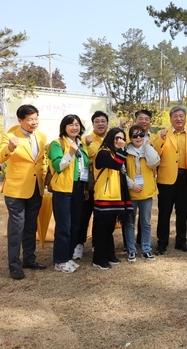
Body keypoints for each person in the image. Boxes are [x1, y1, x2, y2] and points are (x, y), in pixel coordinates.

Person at [0, 104, 47, 280]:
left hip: (36, 188)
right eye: (30, 119)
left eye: (36, 118)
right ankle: (14, 265)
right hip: (16, 190)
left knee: (30, 226)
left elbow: (40, 161)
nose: (34, 122)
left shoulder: (41, 137)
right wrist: (9, 148)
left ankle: (29, 259)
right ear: (20, 120)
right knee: (16, 228)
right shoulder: (10, 136)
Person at [47, 114, 90, 273]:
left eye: (77, 124)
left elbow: (84, 168)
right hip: (63, 190)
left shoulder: (82, 144)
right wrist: (70, 152)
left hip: (78, 188)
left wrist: (85, 189)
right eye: (70, 124)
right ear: (64, 127)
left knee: (75, 224)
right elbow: (58, 165)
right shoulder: (57, 144)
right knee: (64, 226)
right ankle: (60, 260)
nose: (74, 127)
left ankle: (68, 256)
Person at [154, 106, 187, 255]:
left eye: (181, 116)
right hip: (166, 179)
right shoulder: (162, 133)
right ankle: (162, 243)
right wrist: (161, 139)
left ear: (185, 118)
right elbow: (155, 153)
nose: (179, 119)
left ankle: (181, 241)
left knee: (182, 212)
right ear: (170, 119)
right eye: (176, 116)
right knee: (164, 212)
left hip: (185, 178)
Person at [92, 128, 131, 270]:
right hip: (104, 195)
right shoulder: (103, 152)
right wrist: (121, 150)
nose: (120, 141)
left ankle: (109, 254)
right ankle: (98, 258)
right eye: (116, 138)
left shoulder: (116, 153)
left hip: (116, 195)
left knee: (109, 228)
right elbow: (115, 165)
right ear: (110, 138)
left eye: (122, 138)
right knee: (102, 229)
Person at [74, 110, 109, 260]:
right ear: (93, 124)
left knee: (100, 217)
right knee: (84, 215)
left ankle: (97, 244)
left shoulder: (112, 138)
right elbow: (84, 161)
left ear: (107, 123)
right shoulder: (84, 139)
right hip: (89, 184)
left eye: (103, 121)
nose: (100, 124)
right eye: (97, 121)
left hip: (106, 184)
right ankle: (79, 244)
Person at [124, 124, 160, 262]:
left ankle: (146, 249)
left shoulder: (148, 149)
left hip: (146, 192)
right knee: (130, 223)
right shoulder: (125, 151)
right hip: (131, 192)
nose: (138, 138)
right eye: (135, 135)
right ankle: (131, 250)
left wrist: (147, 146)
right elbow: (122, 171)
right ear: (130, 137)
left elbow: (154, 163)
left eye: (141, 135)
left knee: (146, 223)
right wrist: (131, 184)